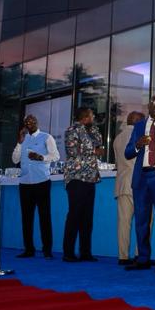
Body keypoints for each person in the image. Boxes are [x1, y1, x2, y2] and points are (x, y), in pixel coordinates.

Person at [11, 114, 58, 258]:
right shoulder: (23, 139)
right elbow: (15, 160)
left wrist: (41, 157)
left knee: (45, 217)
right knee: (26, 218)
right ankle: (29, 249)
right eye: (27, 122)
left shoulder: (46, 137)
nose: (29, 124)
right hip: (25, 183)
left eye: (32, 121)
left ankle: (47, 250)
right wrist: (19, 143)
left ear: (37, 122)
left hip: (41, 181)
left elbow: (56, 156)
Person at [126, 95, 155, 271]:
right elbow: (128, 152)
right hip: (141, 178)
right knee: (141, 221)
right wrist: (137, 145)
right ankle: (143, 258)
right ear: (148, 106)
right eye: (153, 104)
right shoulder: (139, 126)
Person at [63, 107, 105, 262]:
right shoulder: (72, 130)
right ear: (85, 117)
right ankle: (68, 253)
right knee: (75, 215)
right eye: (92, 115)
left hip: (90, 178)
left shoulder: (93, 130)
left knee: (87, 217)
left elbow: (99, 143)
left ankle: (85, 252)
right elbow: (72, 151)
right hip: (76, 177)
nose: (93, 118)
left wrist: (96, 144)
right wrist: (94, 151)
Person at [113, 110, 144, 265]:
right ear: (139, 121)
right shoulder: (141, 136)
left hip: (122, 184)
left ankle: (123, 256)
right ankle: (140, 255)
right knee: (144, 222)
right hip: (140, 183)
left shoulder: (117, 138)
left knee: (124, 223)